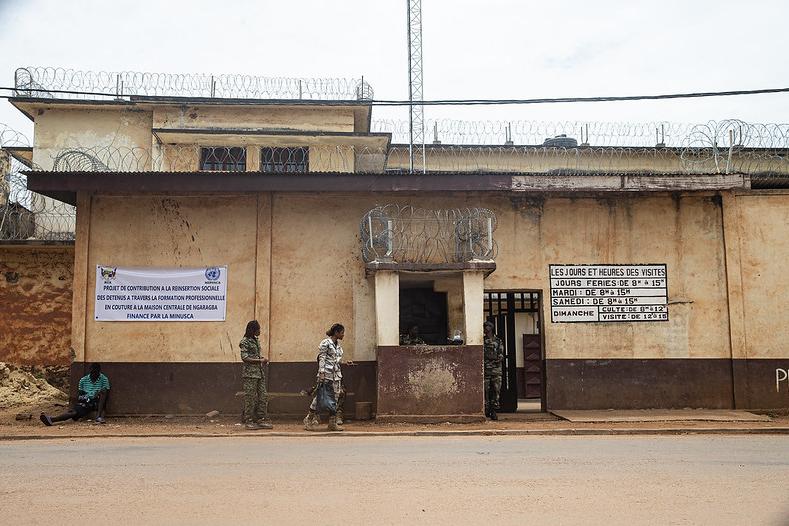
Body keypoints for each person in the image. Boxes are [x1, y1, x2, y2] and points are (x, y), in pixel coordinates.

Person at [304, 323, 346, 432]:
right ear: (336, 332)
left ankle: (332, 423)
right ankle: (308, 419)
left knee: (335, 398)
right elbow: (321, 358)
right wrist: (321, 373)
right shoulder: (325, 343)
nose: (343, 335)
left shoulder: (338, 346)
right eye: (342, 333)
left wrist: (345, 362)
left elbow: (336, 360)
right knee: (319, 397)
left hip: (336, 375)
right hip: (326, 374)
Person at [40, 363, 110, 426]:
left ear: (99, 371)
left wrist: (96, 394)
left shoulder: (104, 379)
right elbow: (80, 396)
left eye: (96, 373)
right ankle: (51, 419)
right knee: (73, 412)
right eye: (92, 373)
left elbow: (106, 392)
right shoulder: (83, 380)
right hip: (87, 401)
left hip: (97, 402)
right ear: (90, 371)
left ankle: (98, 416)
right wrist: (87, 398)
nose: (94, 375)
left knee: (103, 392)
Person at [240, 320, 272, 430]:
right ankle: (248, 420)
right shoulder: (245, 341)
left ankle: (261, 419)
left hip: (259, 373)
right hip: (250, 374)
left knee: (263, 396)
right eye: (258, 329)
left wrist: (262, 359)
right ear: (253, 330)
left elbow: (255, 355)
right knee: (250, 397)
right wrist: (260, 361)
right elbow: (245, 357)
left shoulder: (256, 340)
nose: (260, 331)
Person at [483, 321, 504, 420]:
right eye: (484, 327)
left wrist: (495, 359)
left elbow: (501, 354)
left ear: (491, 328)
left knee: (496, 390)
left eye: (487, 327)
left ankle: (494, 410)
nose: (485, 329)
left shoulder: (498, 341)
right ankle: (487, 409)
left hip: (496, 369)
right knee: (486, 390)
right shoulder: (482, 341)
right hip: (486, 369)